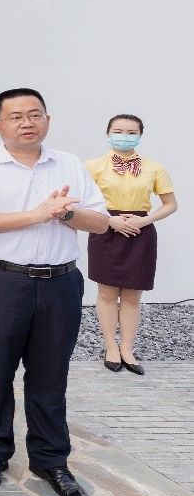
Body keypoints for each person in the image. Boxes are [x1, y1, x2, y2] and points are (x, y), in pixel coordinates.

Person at [0, 88, 109, 496]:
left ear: (47, 119)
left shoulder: (70, 164)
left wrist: (67, 213)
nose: (27, 122)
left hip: (61, 282)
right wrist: (37, 215)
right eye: (16, 116)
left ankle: (50, 460)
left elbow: (100, 223)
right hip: (1, 280)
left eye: (35, 114)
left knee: (50, 374)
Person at [85, 114, 177, 376]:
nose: (124, 136)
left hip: (140, 232)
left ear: (140, 135)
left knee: (133, 295)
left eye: (131, 132)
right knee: (106, 293)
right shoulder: (92, 166)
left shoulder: (154, 168)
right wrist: (110, 220)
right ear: (108, 133)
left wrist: (144, 220)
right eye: (118, 131)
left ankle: (127, 348)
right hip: (106, 229)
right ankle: (110, 347)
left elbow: (171, 204)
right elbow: (82, 202)